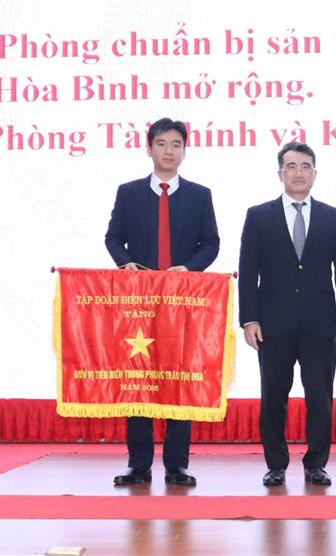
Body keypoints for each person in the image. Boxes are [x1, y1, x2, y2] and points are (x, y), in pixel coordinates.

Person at [104, 117, 220, 487]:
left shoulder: (200, 195)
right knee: (138, 379)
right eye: (162, 144)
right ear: (149, 148)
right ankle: (138, 465)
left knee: (179, 379)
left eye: (176, 144)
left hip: (181, 303)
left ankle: (177, 465)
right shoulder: (129, 193)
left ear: (185, 151)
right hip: (138, 303)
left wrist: (190, 267)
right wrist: (126, 264)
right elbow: (113, 238)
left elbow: (211, 243)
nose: (169, 151)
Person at [238, 142, 336, 487]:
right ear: (280, 173)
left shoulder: (333, 217)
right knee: (273, 398)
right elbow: (248, 271)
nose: (298, 173)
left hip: (320, 324)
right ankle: (276, 464)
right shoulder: (259, 216)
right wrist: (249, 318)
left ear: (315, 173)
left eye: (305, 166)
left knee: (320, 399)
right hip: (273, 324)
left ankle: (316, 463)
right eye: (291, 166)